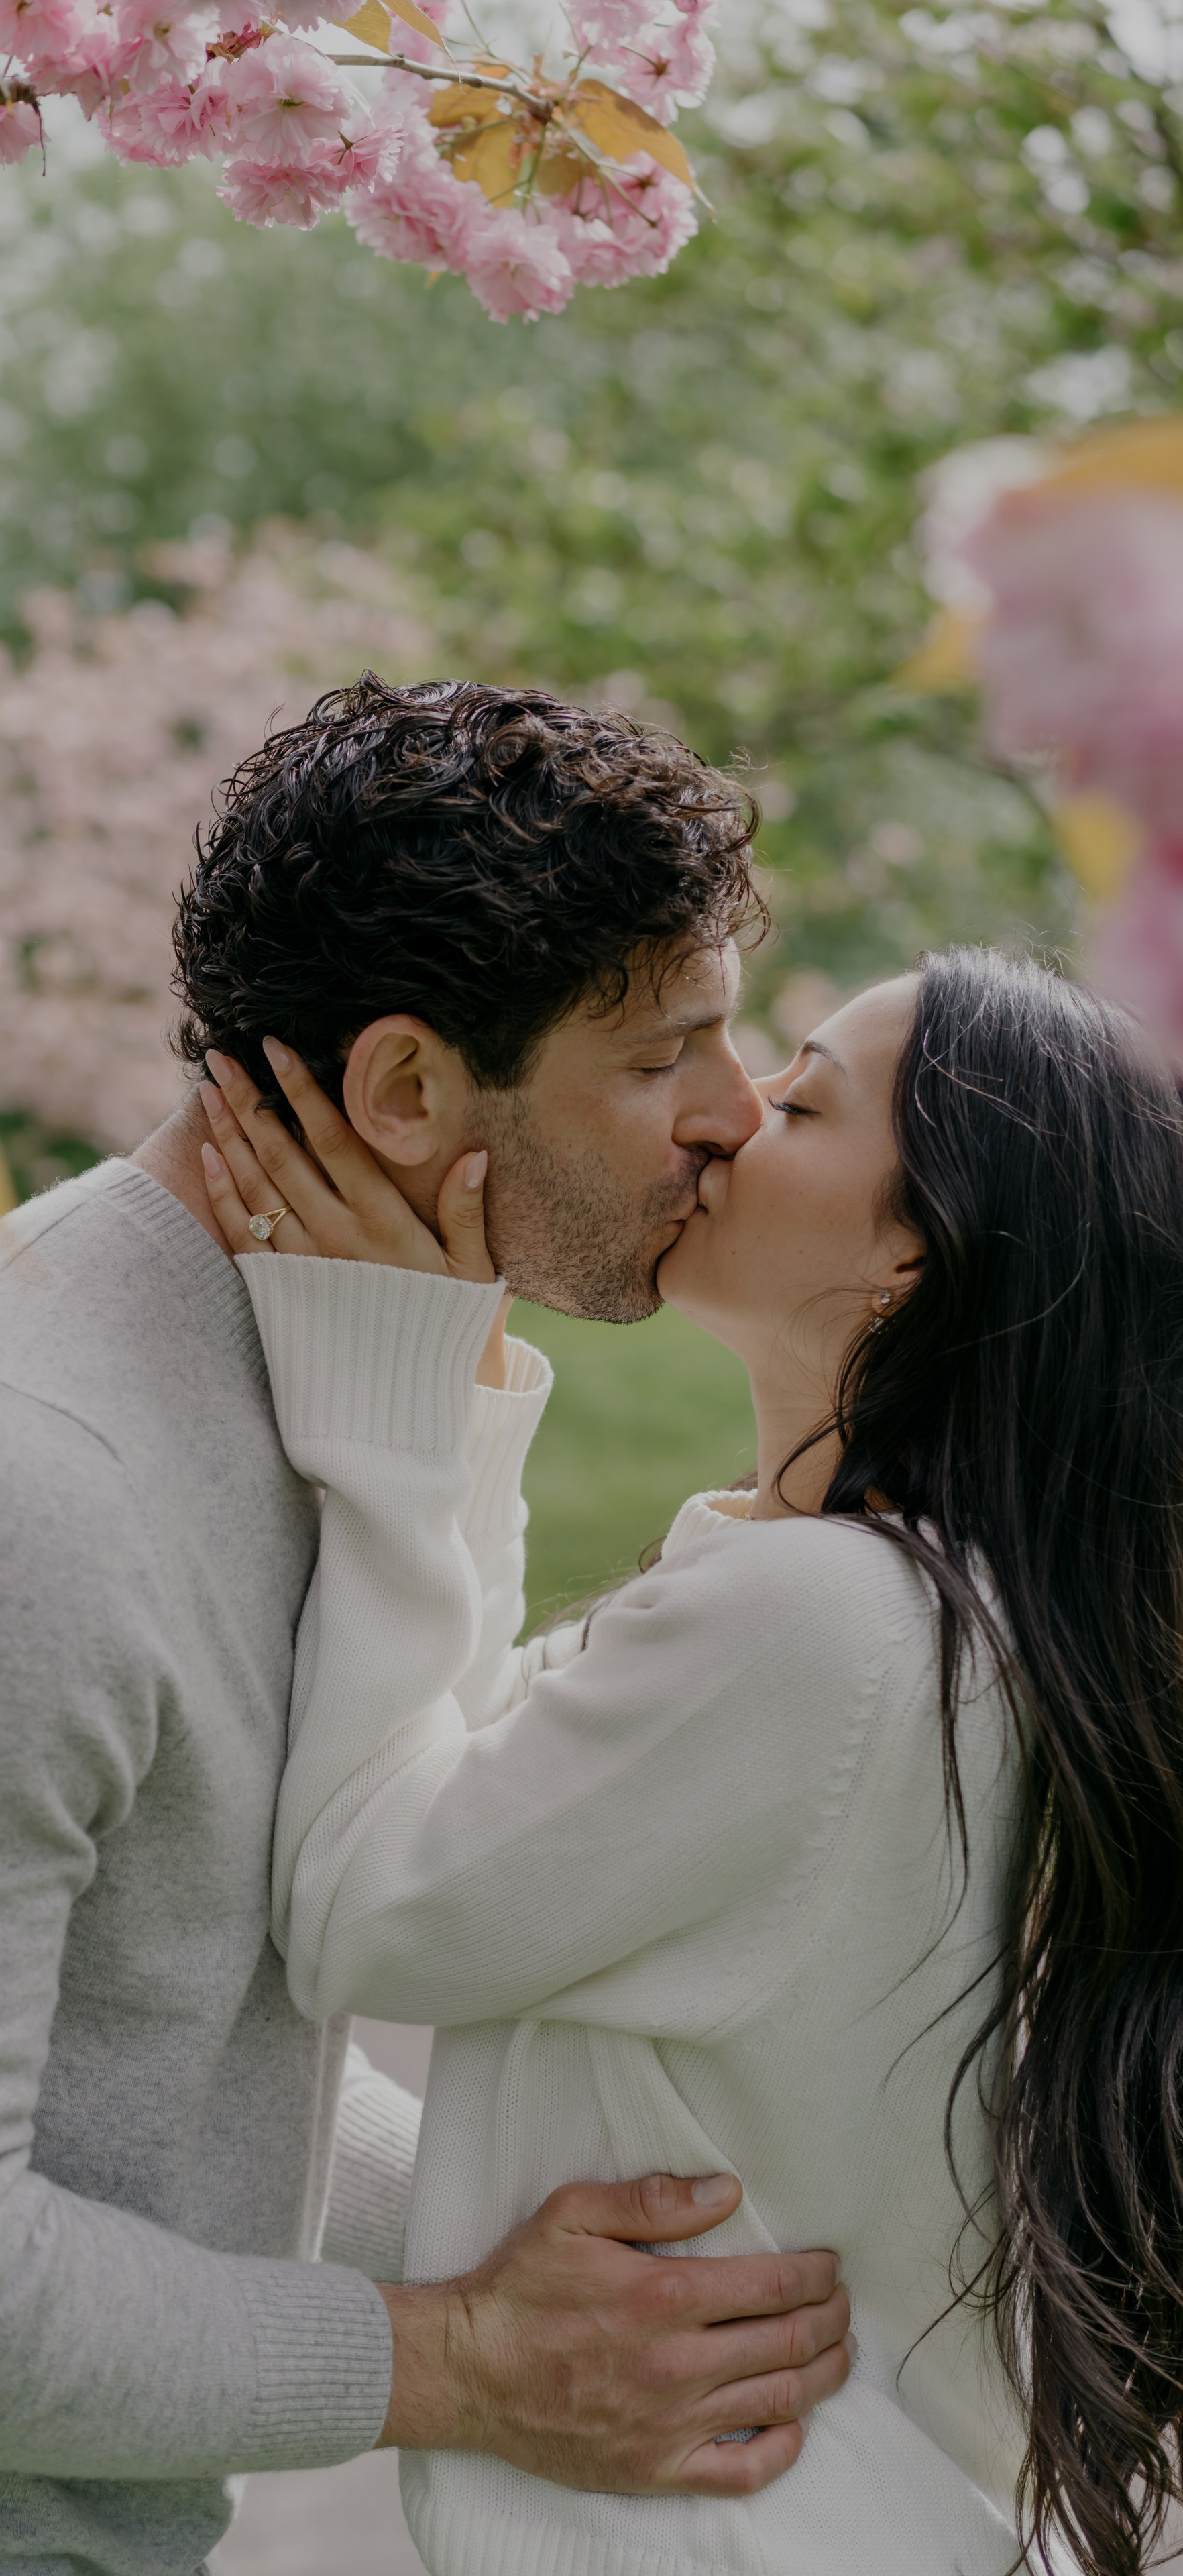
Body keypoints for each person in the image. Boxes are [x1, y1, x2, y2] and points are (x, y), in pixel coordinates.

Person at [0, 680, 852, 2576]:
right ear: (405, 1094)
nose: (734, 1111)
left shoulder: (297, 1367)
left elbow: (171, 2063)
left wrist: (597, 2239)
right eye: (659, 1055)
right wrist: (455, 2361)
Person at [196, 943, 1183, 2576]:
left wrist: (395, 1372)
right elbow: (460, 1762)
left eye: (800, 1101)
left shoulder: (826, 1630)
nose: (723, 1121)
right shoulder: (892, 1614)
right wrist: (458, 1373)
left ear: (912, 1265)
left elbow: (359, 1908)